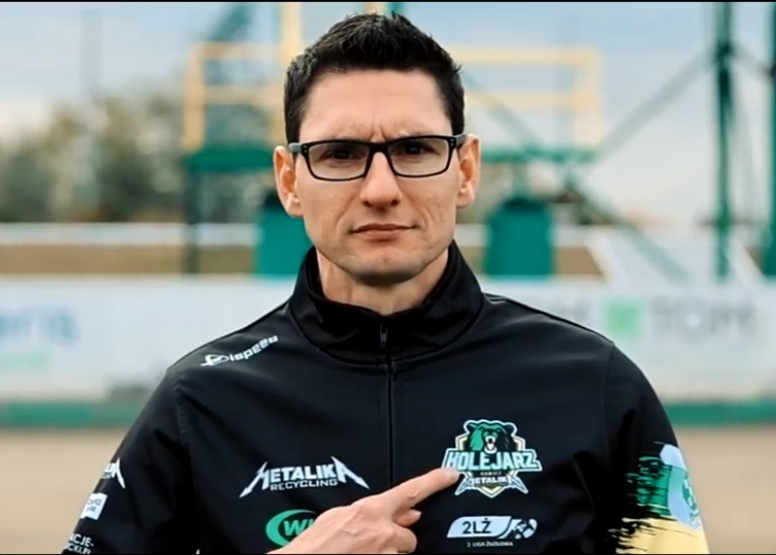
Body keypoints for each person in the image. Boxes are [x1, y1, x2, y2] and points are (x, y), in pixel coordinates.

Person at [62, 12, 710, 555]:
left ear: (466, 170)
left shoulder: (596, 386)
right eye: (340, 154)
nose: (380, 189)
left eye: (415, 149)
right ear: (290, 181)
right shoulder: (199, 404)